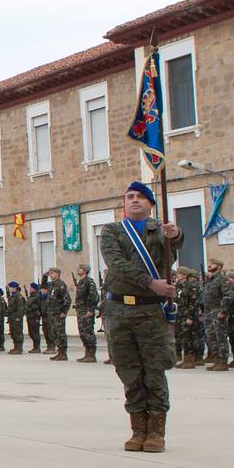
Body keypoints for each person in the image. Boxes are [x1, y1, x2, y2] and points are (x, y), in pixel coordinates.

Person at [100, 181, 183, 453]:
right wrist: (151, 282)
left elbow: (173, 244)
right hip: (119, 310)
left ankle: (157, 431)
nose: (134, 200)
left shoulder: (159, 230)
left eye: (140, 197)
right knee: (128, 370)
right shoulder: (112, 231)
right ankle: (138, 429)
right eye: (129, 197)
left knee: (154, 370)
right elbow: (116, 264)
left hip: (150, 310)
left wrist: (176, 234)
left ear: (150, 204)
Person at [73, 263, 101, 362]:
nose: (78, 270)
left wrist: (91, 310)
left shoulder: (89, 282)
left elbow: (95, 297)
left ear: (85, 271)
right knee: (82, 332)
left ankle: (92, 355)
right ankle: (87, 353)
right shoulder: (80, 282)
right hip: (80, 310)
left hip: (86, 310)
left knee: (88, 332)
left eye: (80, 268)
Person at [43, 267, 70, 360]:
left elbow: (67, 299)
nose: (51, 275)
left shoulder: (61, 285)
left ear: (57, 274)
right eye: (50, 273)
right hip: (52, 313)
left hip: (58, 313)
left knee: (60, 333)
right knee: (54, 333)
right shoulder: (51, 285)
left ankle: (63, 353)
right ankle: (59, 352)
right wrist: (44, 277)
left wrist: (64, 311)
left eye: (52, 273)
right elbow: (43, 287)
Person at [25, 281, 44, 352]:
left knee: (35, 332)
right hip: (29, 316)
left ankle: (37, 348)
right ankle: (35, 347)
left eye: (31, 288)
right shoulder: (31, 296)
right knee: (31, 332)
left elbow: (38, 306)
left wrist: (30, 307)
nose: (30, 289)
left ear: (35, 289)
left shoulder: (37, 296)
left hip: (34, 316)